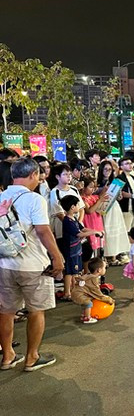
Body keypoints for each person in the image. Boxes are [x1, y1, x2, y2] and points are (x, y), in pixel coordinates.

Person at [0, 158, 63, 372]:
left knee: (6, 311)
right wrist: (57, 257)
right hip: (33, 264)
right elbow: (43, 231)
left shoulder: (1, 196)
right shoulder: (35, 199)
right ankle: (31, 357)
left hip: (5, 264)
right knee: (36, 310)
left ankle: (8, 355)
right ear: (33, 175)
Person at [60, 195, 103, 300]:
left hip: (76, 249)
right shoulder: (67, 221)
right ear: (72, 207)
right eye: (77, 205)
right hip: (70, 250)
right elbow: (79, 234)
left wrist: (95, 231)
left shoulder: (73, 219)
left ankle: (74, 289)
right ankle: (67, 293)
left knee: (75, 271)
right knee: (70, 272)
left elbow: (82, 229)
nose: (79, 207)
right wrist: (94, 232)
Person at [49, 163, 85, 278]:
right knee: (68, 256)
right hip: (64, 229)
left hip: (77, 227)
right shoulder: (55, 192)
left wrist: (79, 224)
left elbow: (82, 208)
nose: (69, 177)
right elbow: (59, 213)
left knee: (78, 254)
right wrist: (72, 225)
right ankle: (67, 284)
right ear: (57, 177)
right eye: (65, 174)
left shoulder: (74, 189)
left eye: (70, 174)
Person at [97, 161, 130, 266]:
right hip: (102, 207)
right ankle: (106, 256)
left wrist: (118, 191)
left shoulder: (114, 181)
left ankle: (114, 255)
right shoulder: (97, 182)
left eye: (110, 170)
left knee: (115, 231)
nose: (107, 172)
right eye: (105, 169)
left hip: (114, 207)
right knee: (106, 231)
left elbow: (120, 198)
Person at [72, 258, 114, 325]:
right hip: (79, 294)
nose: (105, 269)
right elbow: (98, 294)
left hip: (78, 293)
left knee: (87, 302)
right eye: (104, 268)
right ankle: (87, 318)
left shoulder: (90, 275)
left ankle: (84, 315)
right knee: (88, 303)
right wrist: (108, 300)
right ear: (99, 270)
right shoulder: (93, 279)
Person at [80, 177, 105, 260]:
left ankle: (98, 259)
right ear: (83, 188)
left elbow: (101, 198)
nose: (93, 189)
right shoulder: (82, 199)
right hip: (89, 222)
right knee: (91, 241)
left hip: (97, 220)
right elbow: (89, 211)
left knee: (99, 240)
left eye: (94, 187)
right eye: (90, 187)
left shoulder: (94, 197)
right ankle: (90, 261)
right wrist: (100, 200)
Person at [116, 158, 134, 233]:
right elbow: (120, 193)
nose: (130, 165)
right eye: (127, 164)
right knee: (127, 230)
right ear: (121, 166)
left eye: (131, 163)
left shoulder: (133, 177)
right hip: (126, 207)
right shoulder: (119, 178)